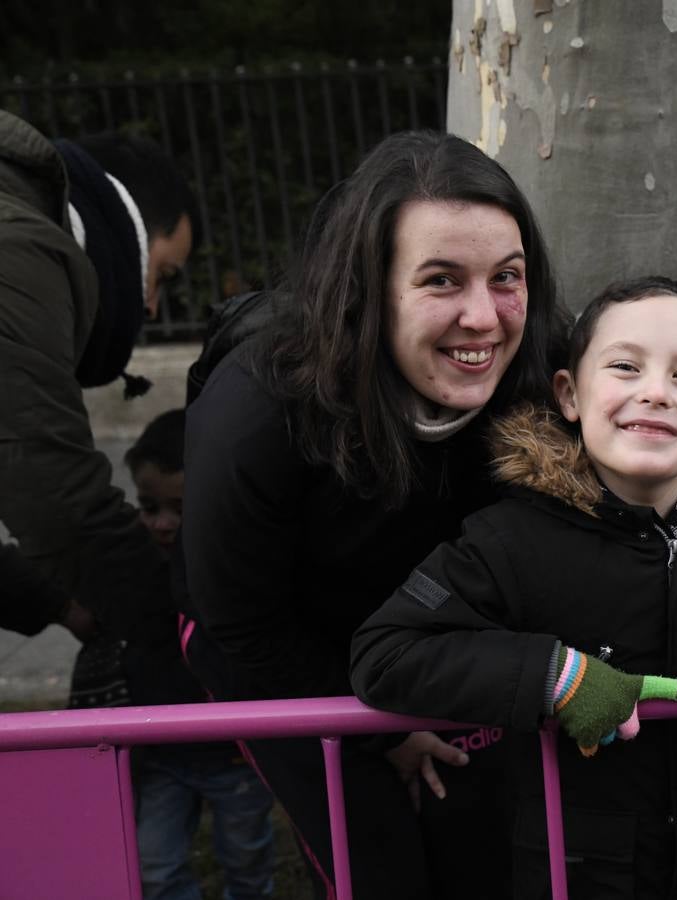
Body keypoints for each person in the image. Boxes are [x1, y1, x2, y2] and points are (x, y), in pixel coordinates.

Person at [177, 130, 567, 899]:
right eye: (442, 281)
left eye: (507, 278)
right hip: (273, 644)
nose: (484, 318)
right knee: (377, 863)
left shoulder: (544, 368)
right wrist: (382, 726)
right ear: (369, 286)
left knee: (484, 845)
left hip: (427, 632)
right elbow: (244, 621)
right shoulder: (261, 406)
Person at [351, 277, 677, 899]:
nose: (654, 393)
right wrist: (553, 676)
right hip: (578, 869)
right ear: (570, 395)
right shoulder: (512, 539)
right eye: (625, 367)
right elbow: (385, 652)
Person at [0, 110, 194, 651]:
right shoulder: (15, 250)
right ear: (126, 225)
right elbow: (56, 499)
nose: (152, 308)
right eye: (162, 276)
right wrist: (185, 641)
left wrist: (53, 603)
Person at [120, 409, 276, 900]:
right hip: (163, 755)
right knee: (154, 864)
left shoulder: (235, 568)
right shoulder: (130, 566)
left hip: (234, 754)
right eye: (148, 507)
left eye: (178, 508)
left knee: (246, 859)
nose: (163, 524)